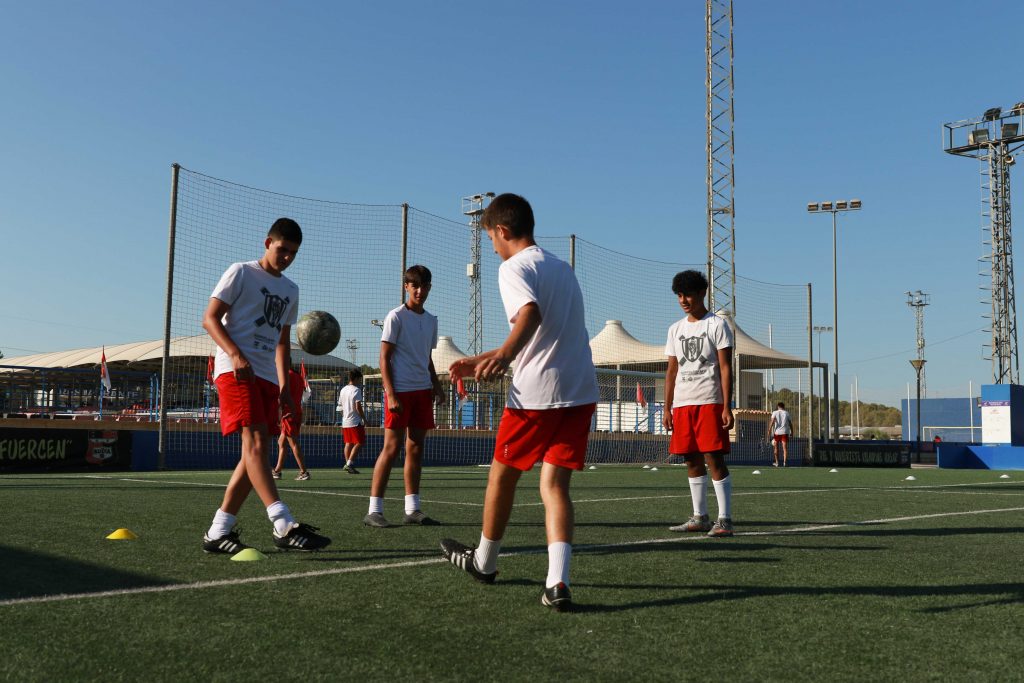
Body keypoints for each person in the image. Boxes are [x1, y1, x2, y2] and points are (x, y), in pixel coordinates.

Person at [440, 193, 599, 612]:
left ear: (502, 231)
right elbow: (548, 336)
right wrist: (487, 357)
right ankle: (558, 582)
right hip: (580, 390)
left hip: (536, 396)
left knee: (502, 476)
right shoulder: (562, 268)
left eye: (491, 237)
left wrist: (505, 357)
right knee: (554, 486)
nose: (492, 247)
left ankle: (485, 562)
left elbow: (529, 317)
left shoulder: (513, 267)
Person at [200, 217, 330, 554]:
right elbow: (210, 318)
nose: (287, 257)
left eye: (293, 253)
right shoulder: (241, 272)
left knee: (253, 455)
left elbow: (283, 342)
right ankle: (283, 523)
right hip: (235, 370)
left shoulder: (291, 290)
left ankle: (218, 530)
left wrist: (286, 385)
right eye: (282, 249)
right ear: (267, 243)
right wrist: (235, 354)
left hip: (268, 376)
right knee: (256, 443)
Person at [363, 265, 446, 528]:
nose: (420, 291)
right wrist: (391, 394)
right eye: (415, 285)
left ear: (430, 287)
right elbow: (384, 358)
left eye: (425, 286)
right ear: (406, 287)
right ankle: (374, 510)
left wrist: (436, 385)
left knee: (416, 448)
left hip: (422, 392)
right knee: (391, 448)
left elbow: (427, 358)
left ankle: (413, 509)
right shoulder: (395, 317)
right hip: (399, 392)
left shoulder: (431, 320)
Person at [663, 269, 735, 538]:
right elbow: (671, 371)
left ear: (702, 293)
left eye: (688, 294)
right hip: (683, 405)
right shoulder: (675, 329)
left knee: (713, 459)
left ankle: (725, 519)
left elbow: (726, 368)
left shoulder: (716, 325)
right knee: (691, 460)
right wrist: (667, 408)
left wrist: (727, 405)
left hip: (709, 402)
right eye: (679, 295)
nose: (683, 300)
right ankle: (700, 517)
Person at [272, 366, 311, 480]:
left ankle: (304, 472)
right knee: (282, 442)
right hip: (297, 412)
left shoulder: (285, 376)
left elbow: (281, 395)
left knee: (293, 443)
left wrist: (276, 411)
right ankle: (277, 471)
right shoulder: (298, 376)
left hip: (288, 413)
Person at [338, 368, 365, 474]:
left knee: (348, 443)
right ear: (357, 378)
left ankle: (348, 465)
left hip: (345, 421)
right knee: (360, 442)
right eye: (360, 379)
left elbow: (339, 408)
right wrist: (364, 419)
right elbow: (358, 407)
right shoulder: (356, 390)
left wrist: (345, 416)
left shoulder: (343, 390)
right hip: (355, 421)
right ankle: (349, 464)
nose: (360, 382)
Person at [768, 401, 792, 467]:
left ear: (778, 407)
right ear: (783, 407)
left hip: (777, 433)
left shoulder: (775, 412)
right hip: (785, 432)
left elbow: (772, 421)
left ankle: (777, 463)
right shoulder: (786, 413)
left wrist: (769, 430)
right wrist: (792, 432)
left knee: (776, 448)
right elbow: (790, 423)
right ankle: (785, 463)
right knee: (785, 448)